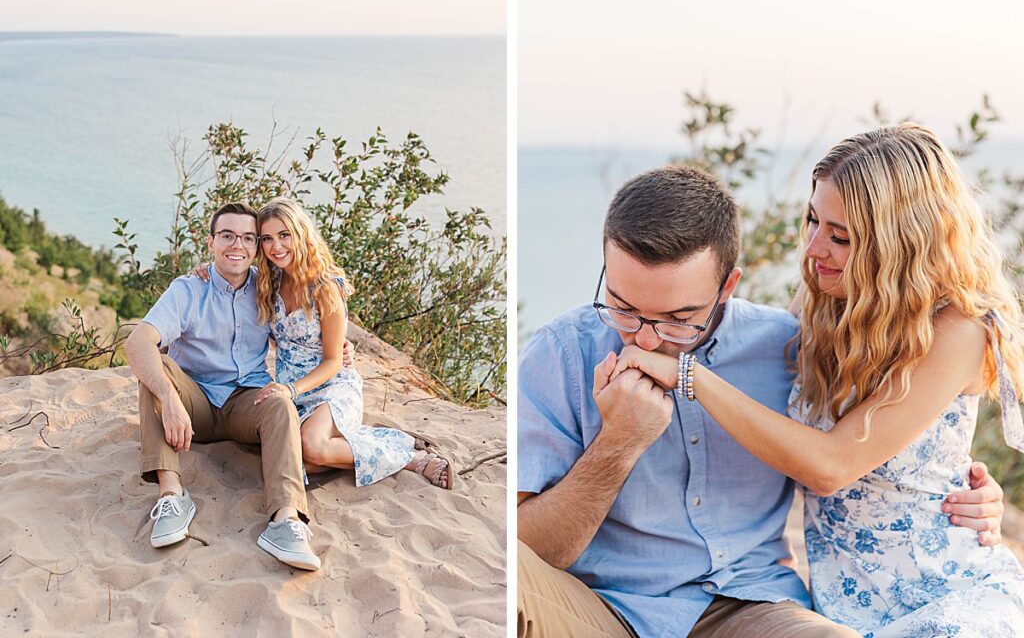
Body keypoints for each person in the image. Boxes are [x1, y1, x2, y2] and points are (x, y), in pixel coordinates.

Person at [517, 162, 1007, 637]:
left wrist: (968, 488)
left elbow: (846, 456)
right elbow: (531, 544)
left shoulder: (784, 344)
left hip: (753, 604)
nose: (645, 340)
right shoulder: (563, 352)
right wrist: (619, 443)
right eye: (622, 308)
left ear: (729, 285)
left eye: (678, 316)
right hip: (605, 605)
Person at [126, 202, 321, 571]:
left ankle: (286, 520)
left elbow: (308, 322)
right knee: (158, 369)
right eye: (228, 236)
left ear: (256, 247)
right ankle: (172, 495)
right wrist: (169, 398)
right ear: (212, 241)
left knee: (280, 402)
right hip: (192, 406)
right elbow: (137, 342)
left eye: (249, 238)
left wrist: (340, 348)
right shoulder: (189, 288)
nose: (238, 245)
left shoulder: (269, 288)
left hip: (245, 404)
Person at [248, 197, 454, 489]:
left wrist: (290, 389)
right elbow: (230, 271)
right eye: (267, 238)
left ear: (300, 233)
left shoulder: (325, 287)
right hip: (293, 394)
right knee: (301, 463)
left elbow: (333, 361)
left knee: (314, 449)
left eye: (284, 235)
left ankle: (410, 458)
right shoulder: (268, 282)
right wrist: (201, 272)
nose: (276, 247)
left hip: (332, 387)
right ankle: (384, 439)